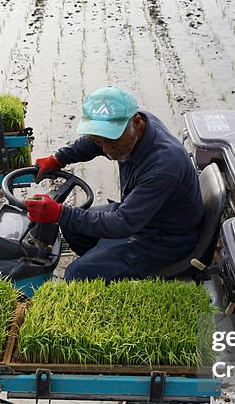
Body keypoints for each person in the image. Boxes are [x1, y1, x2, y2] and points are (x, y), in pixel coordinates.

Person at [25, 86, 203, 281]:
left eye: (111, 140)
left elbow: (123, 223)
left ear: (136, 122)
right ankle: (108, 268)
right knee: (72, 227)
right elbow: (93, 142)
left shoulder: (164, 165)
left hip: (164, 240)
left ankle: (106, 272)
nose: (107, 150)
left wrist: (59, 213)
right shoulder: (133, 130)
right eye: (101, 141)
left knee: (76, 273)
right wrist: (58, 158)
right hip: (144, 216)